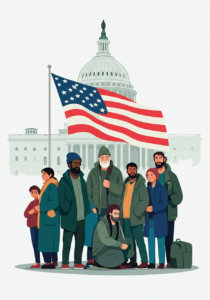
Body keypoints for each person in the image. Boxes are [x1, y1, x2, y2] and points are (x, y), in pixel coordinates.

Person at [86, 146, 123, 265]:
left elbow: (121, 190)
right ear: (99, 158)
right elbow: (88, 192)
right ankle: (91, 257)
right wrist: (92, 206)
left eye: (107, 157)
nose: (105, 159)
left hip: (111, 210)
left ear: (110, 158)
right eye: (102, 157)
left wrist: (110, 185)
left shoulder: (116, 172)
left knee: (112, 232)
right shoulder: (93, 173)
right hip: (97, 209)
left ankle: (112, 255)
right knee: (93, 233)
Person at [58, 152, 90, 270]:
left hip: (82, 217)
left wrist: (87, 211)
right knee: (67, 242)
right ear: (69, 164)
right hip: (69, 217)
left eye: (79, 163)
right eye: (75, 163)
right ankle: (65, 263)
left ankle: (77, 262)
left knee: (80, 242)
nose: (77, 165)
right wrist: (67, 208)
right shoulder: (64, 180)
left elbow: (86, 197)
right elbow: (61, 198)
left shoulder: (82, 179)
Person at [153, 152, 183, 268]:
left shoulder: (172, 176)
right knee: (159, 239)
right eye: (156, 158)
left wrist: (168, 198)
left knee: (169, 239)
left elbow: (179, 196)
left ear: (164, 159)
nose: (158, 160)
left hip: (169, 213)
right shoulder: (152, 176)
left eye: (160, 157)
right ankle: (160, 262)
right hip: (156, 214)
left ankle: (169, 261)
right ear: (154, 160)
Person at [121, 162, 149, 269]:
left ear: (136, 171)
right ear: (127, 171)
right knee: (129, 241)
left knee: (139, 240)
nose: (132, 171)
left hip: (136, 218)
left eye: (134, 169)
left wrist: (136, 213)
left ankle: (144, 261)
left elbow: (144, 200)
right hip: (125, 218)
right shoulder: (125, 184)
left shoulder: (141, 185)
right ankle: (133, 261)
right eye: (130, 169)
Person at [92, 204, 134, 269]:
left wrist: (124, 244)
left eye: (118, 214)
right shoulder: (101, 224)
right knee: (119, 253)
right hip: (101, 250)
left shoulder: (117, 223)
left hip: (112, 246)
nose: (117, 216)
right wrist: (120, 245)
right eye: (115, 213)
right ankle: (119, 263)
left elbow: (119, 238)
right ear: (110, 213)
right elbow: (105, 239)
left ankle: (124, 261)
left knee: (129, 241)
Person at [35, 168, 60, 269]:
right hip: (49, 218)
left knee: (47, 240)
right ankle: (54, 261)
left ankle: (48, 263)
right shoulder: (48, 185)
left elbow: (54, 202)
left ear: (50, 175)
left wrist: (41, 208)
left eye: (44, 174)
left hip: (49, 218)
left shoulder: (51, 186)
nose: (42, 175)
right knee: (51, 240)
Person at [144, 168, 168, 269]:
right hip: (150, 219)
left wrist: (153, 208)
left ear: (156, 176)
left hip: (160, 218)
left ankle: (162, 262)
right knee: (150, 241)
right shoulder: (146, 189)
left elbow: (164, 203)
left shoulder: (161, 188)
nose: (149, 177)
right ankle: (152, 262)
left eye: (151, 174)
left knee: (161, 242)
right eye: (148, 175)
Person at [24, 185, 42, 268]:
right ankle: (37, 262)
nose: (34, 194)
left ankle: (48, 261)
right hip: (31, 227)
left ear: (38, 193)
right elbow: (25, 214)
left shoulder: (40, 201)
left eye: (36, 192)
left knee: (41, 244)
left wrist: (33, 211)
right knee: (34, 244)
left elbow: (40, 210)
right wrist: (30, 212)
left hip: (39, 226)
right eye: (32, 192)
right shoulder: (31, 203)